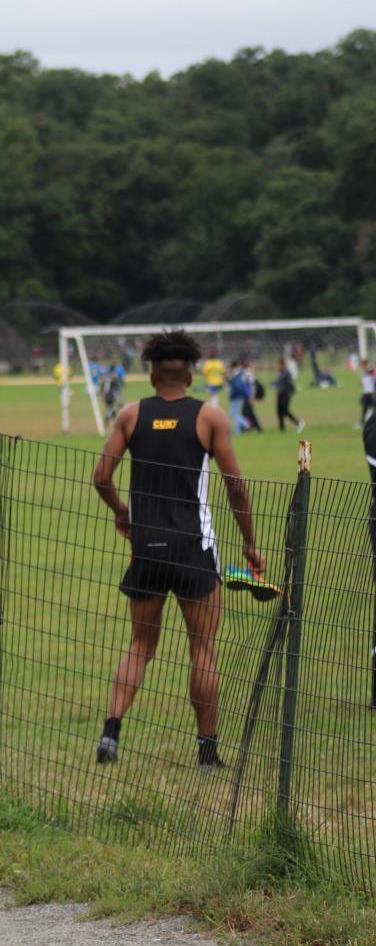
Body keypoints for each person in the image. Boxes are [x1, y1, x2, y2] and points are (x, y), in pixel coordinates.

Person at [92, 330, 265, 771]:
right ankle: (207, 752)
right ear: (189, 376)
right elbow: (236, 489)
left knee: (140, 643)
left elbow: (101, 477)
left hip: (147, 547)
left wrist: (123, 512)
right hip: (194, 548)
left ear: (152, 376)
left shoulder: (131, 415)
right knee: (202, 649)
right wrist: (250, 544)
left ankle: (111, 731)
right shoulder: (210, 417)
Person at [274, 359, 304, 433]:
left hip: (285, 395)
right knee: (279, 412)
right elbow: (278, 383)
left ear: (282, 365)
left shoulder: (286, 373)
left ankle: (298, 423)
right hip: (280, 394)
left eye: (278, 365)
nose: (277, 366)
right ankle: (282, 429)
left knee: (285, 411)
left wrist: (288, 394)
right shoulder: (280, 373)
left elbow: (290, 385)